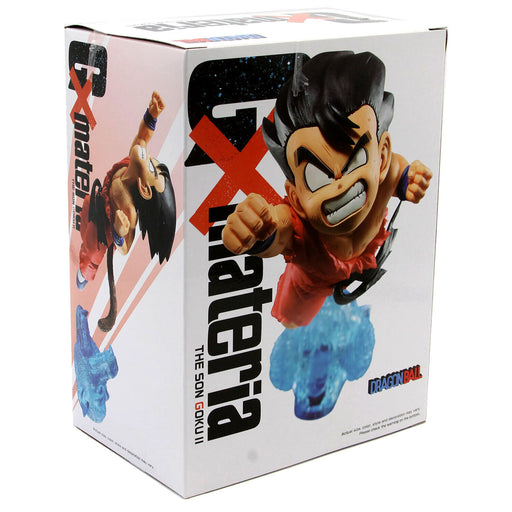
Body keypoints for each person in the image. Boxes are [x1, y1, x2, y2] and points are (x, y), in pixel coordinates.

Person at [222, 51, 432, 328]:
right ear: (296, 198)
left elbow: (398, 170)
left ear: (380, 157)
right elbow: (277, 226)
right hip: (311, 282)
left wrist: (410, 180)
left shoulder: (386, 173)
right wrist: (255, 230)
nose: (341, 184)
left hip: (367, 259)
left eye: (356, 159)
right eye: (317, 177)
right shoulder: (296, 224)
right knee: (293, 322)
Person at [76, 91, 176, 331]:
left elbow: (124, 248)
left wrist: (120, 232)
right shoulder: (134, 161)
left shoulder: (129, 211)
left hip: (103, 232)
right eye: (155, 163)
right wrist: (152, 114)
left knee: (91, 251)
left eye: (153, 171)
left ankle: (84, 274)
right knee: (84, 213)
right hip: (97, 200)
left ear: (144, 188)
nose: (150, 158)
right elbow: (143, 136)